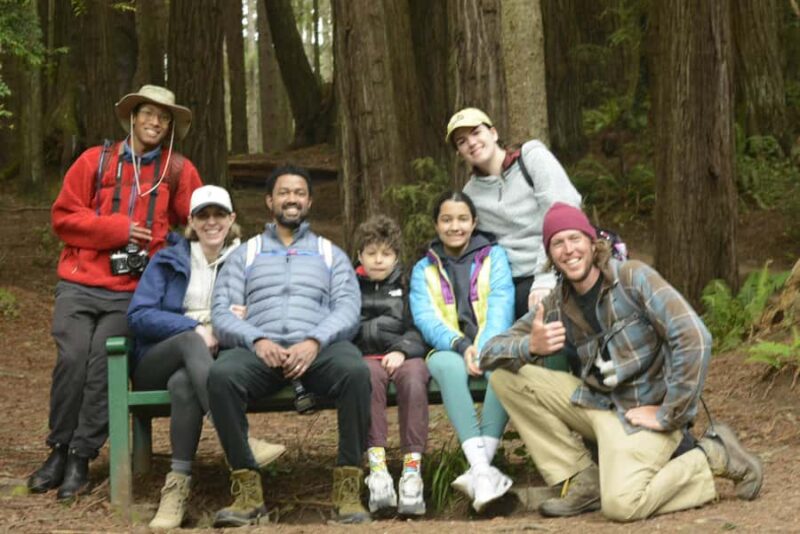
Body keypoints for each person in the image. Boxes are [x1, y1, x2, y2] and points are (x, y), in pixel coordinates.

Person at [481, 202, 764, 521]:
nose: (568, 249)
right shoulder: (557, 303)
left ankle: (713, 456)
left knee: (622, 506)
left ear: (592, 242)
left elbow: (695, 338)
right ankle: (582, 481)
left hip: (643, 413)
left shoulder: (632, 277)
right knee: (506, 379)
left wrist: (670, 412)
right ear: (550, 255)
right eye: (557, 243)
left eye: (574, 238)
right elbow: (489, 353)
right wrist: (529, 345)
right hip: (597, 405)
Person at [28, 85, 202, 501]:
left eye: (164, 117)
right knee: (71, 358)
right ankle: (58, 450)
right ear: (132, 117)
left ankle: (81, 456)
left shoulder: (176, 170)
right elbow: (63, 217)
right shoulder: (95, 160)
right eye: (148, 113)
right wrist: (117, 229)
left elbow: (200, 218)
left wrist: (180, 253)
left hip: (131, 291)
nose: (155, 122)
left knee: (102, 363)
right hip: (79, 282)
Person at [207, 165, 371, 527]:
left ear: (309, 201)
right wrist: (256, 339)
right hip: (259, 353)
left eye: (299, 193)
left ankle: (347, 490)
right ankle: (248, 494)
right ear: (270, 201)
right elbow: (220, 313)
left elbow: (348, 308)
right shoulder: (244, 255)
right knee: (221, 376)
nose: (292, 199)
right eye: (284, 192)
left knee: (355, 371)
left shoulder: (330, 254)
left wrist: (315, 340)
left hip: (318, 352)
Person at [127, 185, 285, 529]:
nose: (211, 222)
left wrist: (242, 318)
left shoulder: (250, 259)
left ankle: (176, 489)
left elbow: (273, 309)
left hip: (207, 365)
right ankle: (237, 440)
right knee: (188, 340)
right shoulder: (168, 260)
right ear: (192, 222)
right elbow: (139, 315)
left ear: (232, 219)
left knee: (184, 385)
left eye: (218, 215)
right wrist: (195, 326)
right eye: (203, 215)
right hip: (158, 358)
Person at [409, 191, 515, 513]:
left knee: (504, 370)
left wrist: (481, 349)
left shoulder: (493, 256)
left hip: (489, 345)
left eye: (462, 219)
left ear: (474, 222)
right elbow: (426, 318)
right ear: (436, 224)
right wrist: (461, 346)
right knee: (451, 369)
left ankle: (478, 472)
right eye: (447, 219)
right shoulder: (422, 268)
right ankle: (485, 471)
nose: (455, 226)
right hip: (446, 348)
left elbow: (501, 303)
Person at [446, 107, 582, 319]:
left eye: (476, 132)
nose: (471, 143)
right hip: (515, 281)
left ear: (493, 133)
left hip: (560, 262)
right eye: (462, 141)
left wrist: (545, 277)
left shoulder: (532, 158)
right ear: (459, 153)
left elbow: (565, 213)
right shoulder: (469, 195)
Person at [353, 215, 430, 516]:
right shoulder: (350, 284)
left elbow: (418, 325)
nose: (378, 260)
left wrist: (402, 349)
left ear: (396, 256)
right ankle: (379, 471)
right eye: (371, 253)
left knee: (414, 378)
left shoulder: (407, 283)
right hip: (364, 357)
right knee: (368, 378)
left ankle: (412, 471)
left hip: (404, 355)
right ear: (359, 255)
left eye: (386, 254)